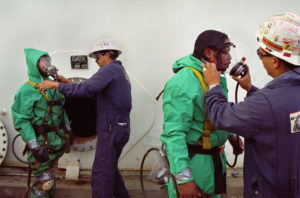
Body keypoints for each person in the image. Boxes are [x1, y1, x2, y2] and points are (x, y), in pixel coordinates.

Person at [203, 12, 300, 197]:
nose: (261, 60)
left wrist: (213, 85)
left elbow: (220, 116)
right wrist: (250, 89)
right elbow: (276, 116)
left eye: (260, 54)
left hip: (270, 191)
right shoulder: (278, 97)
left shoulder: (265, 103)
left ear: (275, 61)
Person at [38, 39, 132, 198]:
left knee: (101, 175)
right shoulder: (119, 71)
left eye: (96, 56)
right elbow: (96, 91)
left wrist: (54, 85)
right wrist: (67, 82)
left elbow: (87, 90)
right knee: (110, 170)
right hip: (120, 127)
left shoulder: (109, 70)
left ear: (107, 54)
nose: (95, 60)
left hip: (110, 128)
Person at [160, 30, 244, 198]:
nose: (229, 58)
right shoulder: (183, 81)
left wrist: (231, 135)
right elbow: (174, 134)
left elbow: (217, 111)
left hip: (214, 162)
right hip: (195, 163)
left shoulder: (214, 77)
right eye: (225, 51)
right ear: (208, 52)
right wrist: (184, 179)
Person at [11, 48, 73, 198]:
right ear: (34, 65)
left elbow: (61, 110)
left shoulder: (53, 86)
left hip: (56, 145)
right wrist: (34, 146)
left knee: (50, 180)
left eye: (48, 60)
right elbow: (22, 120)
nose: (47, 64)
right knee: (44, 184)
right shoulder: (26, 90)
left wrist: (68, 130)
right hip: (42, 146)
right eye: (42, 61)